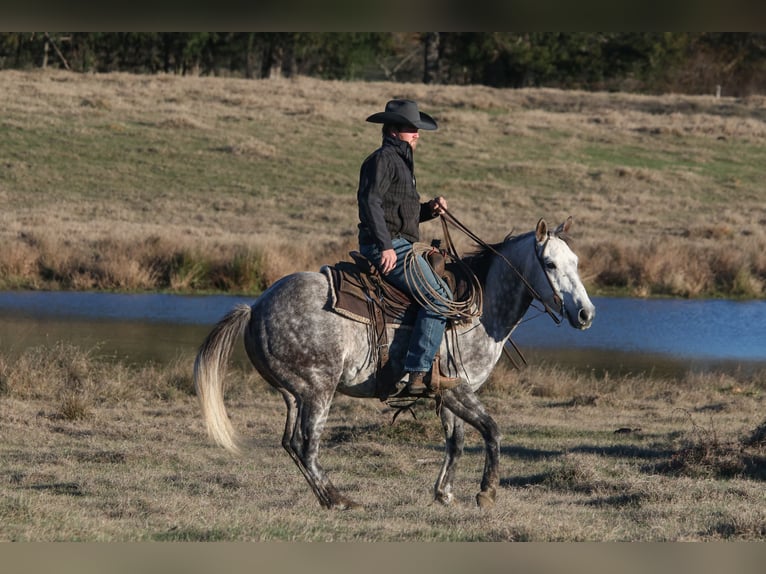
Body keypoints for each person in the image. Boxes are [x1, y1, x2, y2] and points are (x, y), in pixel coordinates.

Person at [356, 99, 460, 396]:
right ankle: (419, 373)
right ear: (393, 131)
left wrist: (430, 209)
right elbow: (370, 203)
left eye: (417, 129)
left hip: (398, 242)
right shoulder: (383, 160)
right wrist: (385, 246)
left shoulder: (401, 162)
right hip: (389, 246)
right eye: (411, 129)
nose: (417, 134)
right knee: (440, 298)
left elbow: (399, 213)